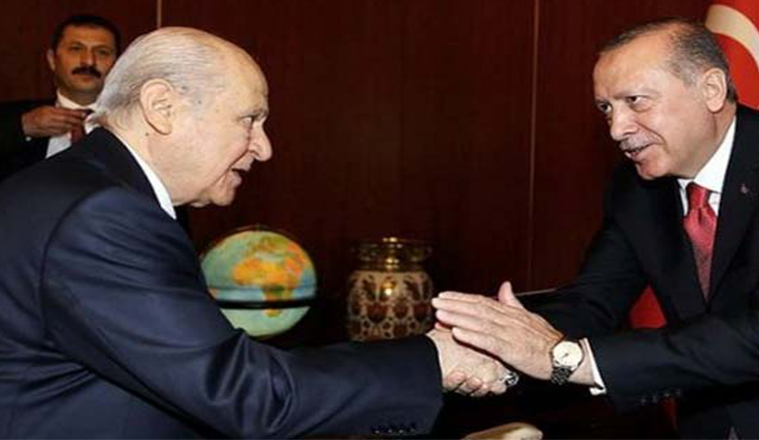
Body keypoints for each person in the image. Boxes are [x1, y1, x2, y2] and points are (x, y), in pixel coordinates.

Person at [0, 27, 511, 438]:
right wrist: (432, 359)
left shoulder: (77, 188)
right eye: (250, 120)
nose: (264, 148)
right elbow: (245, 396)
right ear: (162, 107)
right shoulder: (103, 214)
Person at [432, 17, 759, 438]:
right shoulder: (636, 187)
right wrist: (494, 342)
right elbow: (593, 301)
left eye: (635, 101)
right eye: (606, 108)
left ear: (710, 89)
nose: (616, 129)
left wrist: (566, 358)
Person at [0, 14, 120, 182]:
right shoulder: (17, 120)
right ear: (52, 60)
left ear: (117, 64)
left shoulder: (136, 122)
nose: (88, 61)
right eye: (76, 49)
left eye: (102, 52)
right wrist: (22, 128)